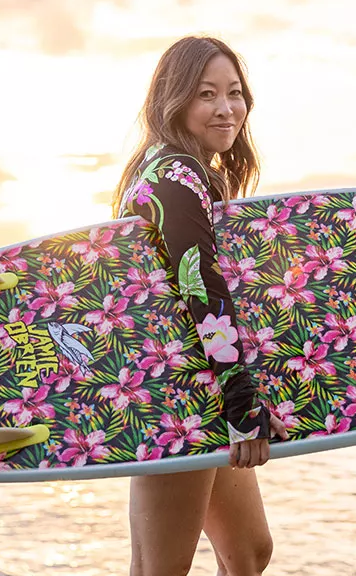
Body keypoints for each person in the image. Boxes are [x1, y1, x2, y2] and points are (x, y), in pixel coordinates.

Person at [112, 36, 289, 576]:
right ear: (174, 100)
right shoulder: (173, 177)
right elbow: (203, 294)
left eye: (234, 93)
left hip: (204, 389)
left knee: (249, 551)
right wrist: (242, 412)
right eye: (206, 93)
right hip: (179, 399)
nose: (225, 108)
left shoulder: (177, 170)